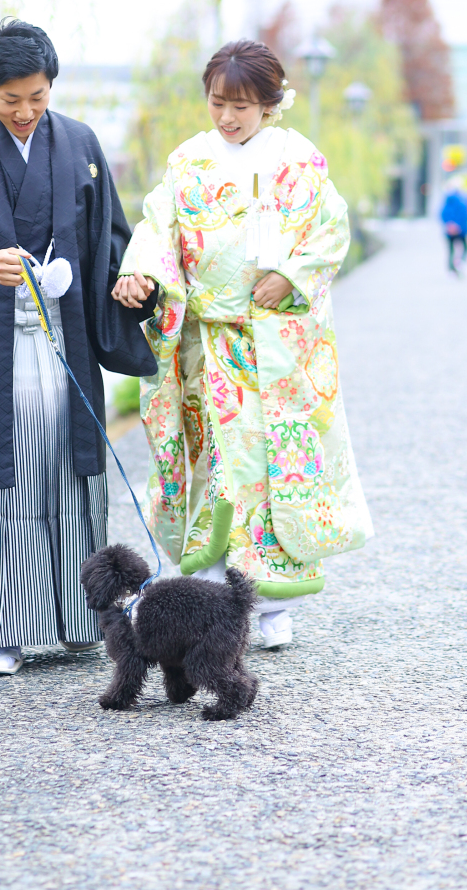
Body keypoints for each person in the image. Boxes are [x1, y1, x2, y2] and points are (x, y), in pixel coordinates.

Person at [0, 19, 156, 674]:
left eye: (37, 97)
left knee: (70, 477)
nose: (24, 112)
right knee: (0, 486)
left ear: (51, 87)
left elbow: (114, 239)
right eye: (10, 99)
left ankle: (79, 623)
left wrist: (129, 282)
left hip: (66, 338)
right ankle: (2, 634)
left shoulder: (82, 146)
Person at [112, 40, 373, 648]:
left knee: (262, 470)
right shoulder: (187, 162)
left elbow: (330, 230)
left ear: (270, 104)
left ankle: (271, 607)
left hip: (268, 345)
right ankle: (205, 594)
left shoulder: (299, 160)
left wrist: (297, 274)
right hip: (205, 339)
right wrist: (141, 272)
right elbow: (158, 227)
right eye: (218, 102)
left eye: (242, 106)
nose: (227, 117)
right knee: (211, 468)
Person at [440, 181, 467, 273]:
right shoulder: (462, 201)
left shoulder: (446, 202)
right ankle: (460, 262)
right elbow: (464, 216)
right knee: (465, 247)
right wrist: (457, 226)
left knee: (451, 250)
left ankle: (451, 268)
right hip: (461, 230)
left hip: (449, 230)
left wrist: (449, 225)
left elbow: (443, 215)